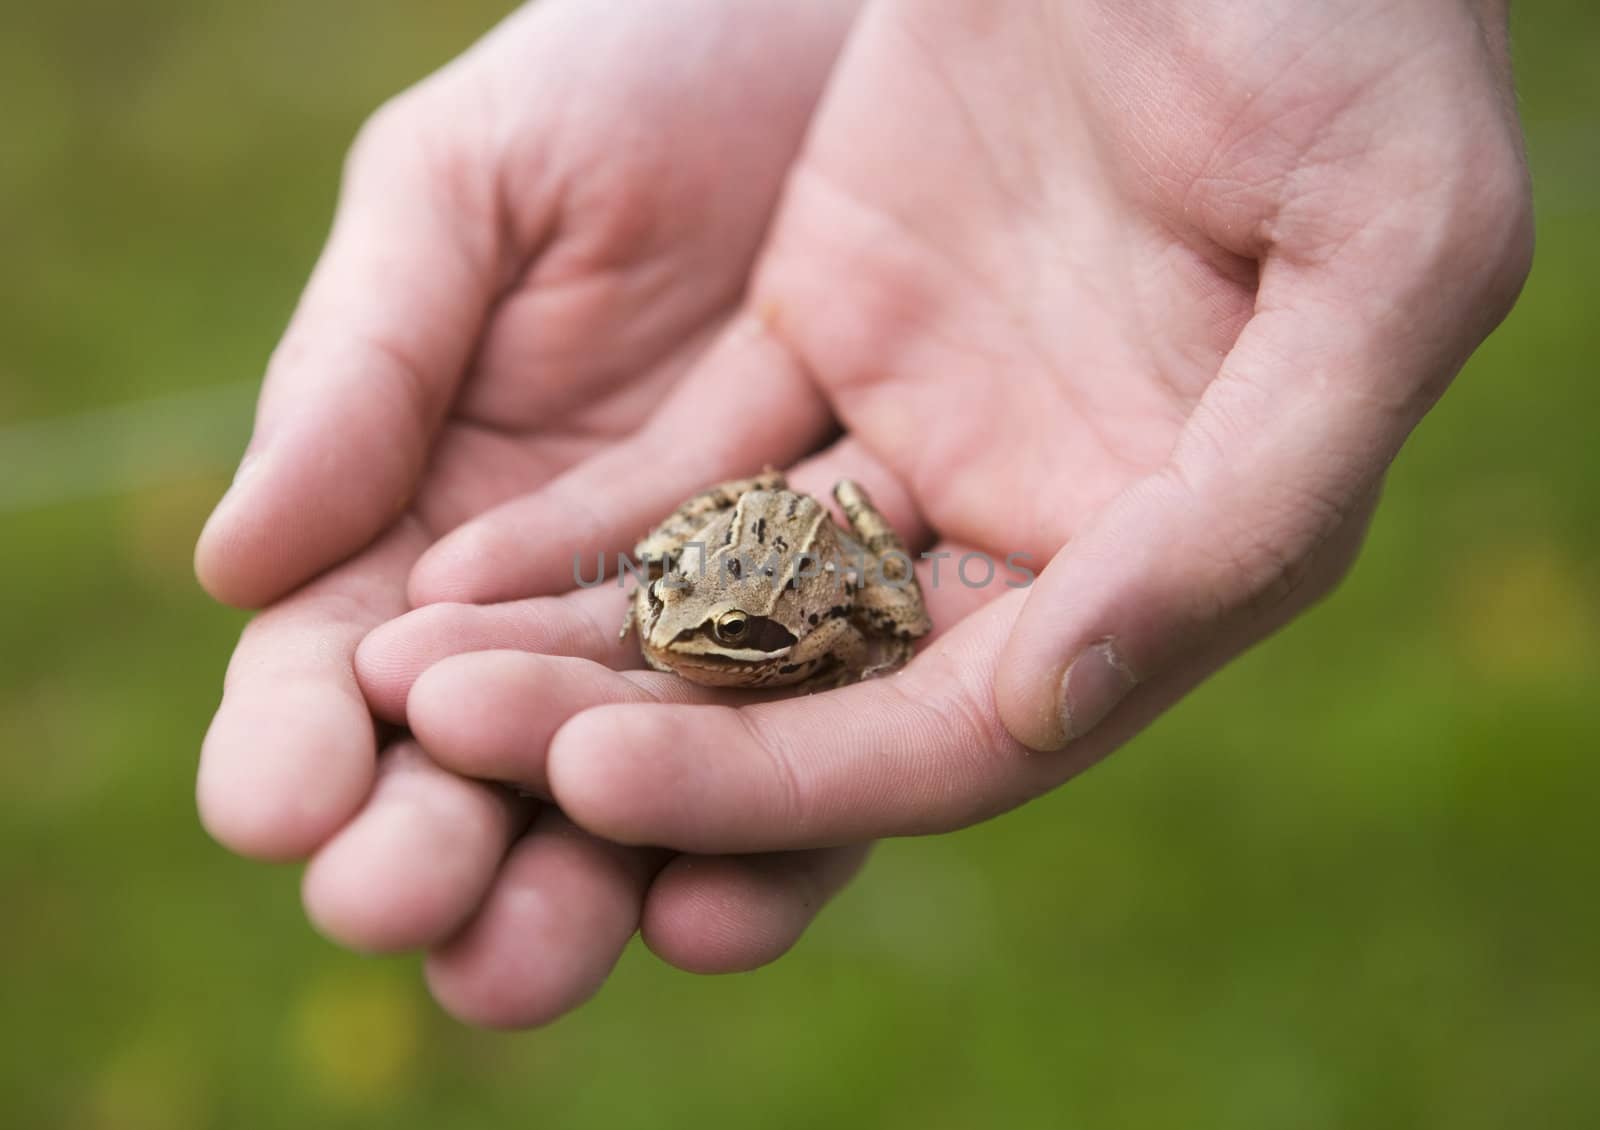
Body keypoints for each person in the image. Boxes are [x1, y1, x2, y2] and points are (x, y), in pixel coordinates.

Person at [194, 0, 1532, 1028]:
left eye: (710, 644)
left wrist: (823, 639)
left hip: (813, 563)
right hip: (744, 533)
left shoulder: (831, 607)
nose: (668, 640)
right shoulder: (674, 605)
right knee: (639, 633)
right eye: (663, 620)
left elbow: (872, 629)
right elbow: (672, 582)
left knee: (875, 619)